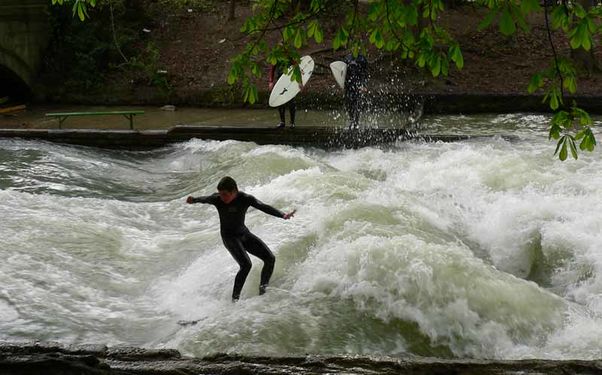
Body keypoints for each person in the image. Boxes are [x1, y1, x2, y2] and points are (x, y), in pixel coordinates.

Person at [186, 176, 295, 301]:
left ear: (234, 191)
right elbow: (204, 199)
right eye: (220, 194)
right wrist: (193, 200)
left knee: (270, 258)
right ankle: (235, 300)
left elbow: (263, 206)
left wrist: (283, 215)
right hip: (229, 237)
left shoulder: (245, 198)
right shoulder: (217, 199)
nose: (222, 197)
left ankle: (263, 291)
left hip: (243, 234)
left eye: (225, 194)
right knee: (246, 265)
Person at [269, 59, 297, 128]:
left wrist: (299, 82)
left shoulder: (290, 55)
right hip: (280, 81)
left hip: (290, 81)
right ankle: (282, 122)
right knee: (280, 101)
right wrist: (271, 81)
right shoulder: (276, 56)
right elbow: (272, 69)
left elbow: (296, 69)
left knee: (291, 102)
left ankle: (292, 123)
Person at [344, 52, 368, 129]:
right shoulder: (347, 58)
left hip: (358, 85)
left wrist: (364, 85)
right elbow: (343, 72)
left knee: (357, 103)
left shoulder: (362, 59)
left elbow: (365, 73)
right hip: (348, 86)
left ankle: (356, 122)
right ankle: (351, 120)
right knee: (349, 103)